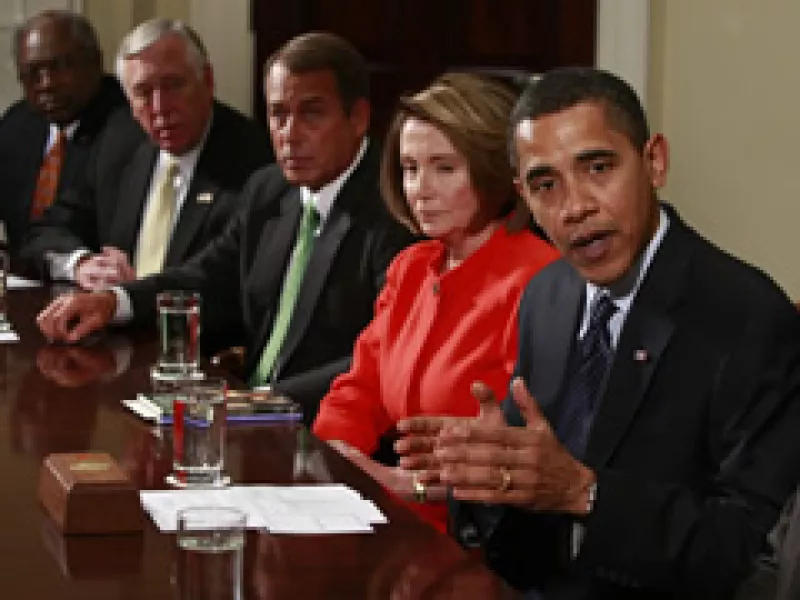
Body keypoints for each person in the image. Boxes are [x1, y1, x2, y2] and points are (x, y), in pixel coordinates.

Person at [395, 67, 800, 598]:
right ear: (523, 195)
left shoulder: (746, 316)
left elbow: (751, 553)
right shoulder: (547, 297)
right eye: (546, 184)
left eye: (598, 167)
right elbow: (522, 522)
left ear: (654, 161)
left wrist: (587, 494)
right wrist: (483, 478)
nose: (575, 207)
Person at [35, 32, 415, 421]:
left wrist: (263, 402)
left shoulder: (396, 209)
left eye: (312, 113)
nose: (289, 134)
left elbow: (382, 356)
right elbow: (207, 278)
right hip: (251, 422)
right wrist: (114, 301)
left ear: (358, 119)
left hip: (330, 432)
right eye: (278, 114)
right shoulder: (269, 190)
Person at [312, 73, 558, 532]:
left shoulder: (540, 281)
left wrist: (402, 484)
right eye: (409, 168)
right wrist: (331, 457)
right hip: (386, 514)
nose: (420, 190)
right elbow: (359, 390)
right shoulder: (411, 267)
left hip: (485, 536)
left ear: (490, 171)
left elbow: (528, 455)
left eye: (444, 168)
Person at [20, 18, 272, 288]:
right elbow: (46, 231)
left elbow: (229, 283)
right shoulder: (120, 140)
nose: (160, 107)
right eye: (143, 92)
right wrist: (81, 264)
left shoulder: (252, 159)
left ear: (207, 81)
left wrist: (131, 298)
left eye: (173, 85)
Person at [0, 10, 126, 258]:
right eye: (33, 73)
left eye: (60, 66)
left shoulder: (127, 125)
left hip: (98, 283)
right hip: (24, 283)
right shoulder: (17, 124)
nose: (47, 83)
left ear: (95, 62)